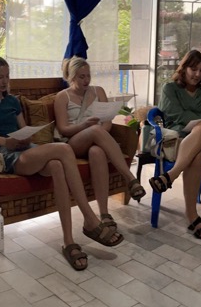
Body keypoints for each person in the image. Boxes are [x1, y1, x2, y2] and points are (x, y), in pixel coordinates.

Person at [0, 56, 121, 271]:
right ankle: (90, 219)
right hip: (5, 154)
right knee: (64, 149)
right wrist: (4, 141)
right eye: (0, 76)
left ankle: (68, 241)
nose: (4, 81)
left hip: (26, 150)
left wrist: (25, 137)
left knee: (57, 166)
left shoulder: (12, 101)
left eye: (7, 76)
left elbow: (22, 128)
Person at [148, 50, 201, 240]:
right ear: (183, 69)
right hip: (176, 143)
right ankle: (192, 216)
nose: (197, 74)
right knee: (197, 154)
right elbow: (175, 115)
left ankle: (171, 175)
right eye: (193, 69)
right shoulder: (170, 89)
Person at [53, 56, 147, 225]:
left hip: (96, 139)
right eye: (82, 77)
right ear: (72, 77)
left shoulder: (98, 91)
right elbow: (63, 129)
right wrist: (85, 127)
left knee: (97, 152)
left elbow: (107, 122)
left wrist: (98, 137)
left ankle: (104, 214)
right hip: (73, 142)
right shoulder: (62, 97)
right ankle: (130, 178)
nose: (86, 80)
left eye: (88, 76)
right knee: (95, 129)